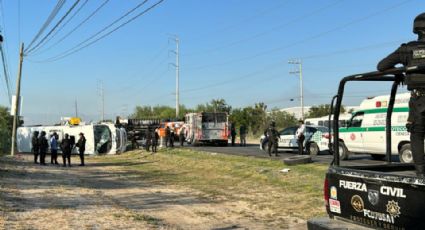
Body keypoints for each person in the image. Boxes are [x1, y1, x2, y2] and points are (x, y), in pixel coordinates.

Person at [377, 13, 425, 176]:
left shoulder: (407, 49)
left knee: (417, 134)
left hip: (419, 100)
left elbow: (382, 66)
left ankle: (421, 173)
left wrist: (402, 72)